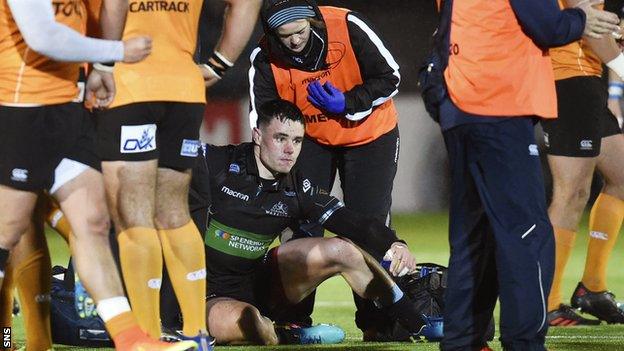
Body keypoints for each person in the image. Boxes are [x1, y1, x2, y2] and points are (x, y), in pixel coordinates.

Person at [0, 0, 199, 349]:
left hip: (68, 109)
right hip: (21, 108)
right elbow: (43, 36)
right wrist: (118, 51)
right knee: (10, 228)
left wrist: (101, 68)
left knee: (92, 221)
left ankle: (131, 338)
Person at [424, 0, 621, 349]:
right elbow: (549, 26)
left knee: (475, 238)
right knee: (527, 234)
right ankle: (525, 342)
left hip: (461, 105)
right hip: (499, 107)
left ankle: (463, 342)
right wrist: (582, 18)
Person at [185, 99, 425, 345]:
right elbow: (170, 157)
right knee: (248, 321)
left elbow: (351, 222)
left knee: (342, 250)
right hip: (205, 293)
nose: (290, 149)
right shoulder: (215, 163)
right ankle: (293, 335)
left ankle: (417, 323)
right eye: (280, 138)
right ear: (257, 135)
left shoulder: (297, 186)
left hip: (258, 284)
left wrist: (395, 243)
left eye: (297, 141)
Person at [95, 0, 261, 347]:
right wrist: (221, 63)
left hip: (130, 83)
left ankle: (146, 336)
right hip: (183, 88)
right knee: (173, 212)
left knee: (133, 215)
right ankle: (197, 334)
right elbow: (245, 4)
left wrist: (102, 63)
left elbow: (114, 5)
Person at [248, 0, 411, 339]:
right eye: (284, 35)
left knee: (368, 225)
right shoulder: (264, 58)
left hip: (370, 135)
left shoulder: (347, 25)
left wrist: (348, 102)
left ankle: (379, 323)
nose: (294, 41)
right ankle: (293, 320)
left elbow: (391, 77)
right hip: (311, 141)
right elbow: (263, 121)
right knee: (299, 224)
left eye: (300, 32)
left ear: (313, 22)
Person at [543, 0, 624, 326]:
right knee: (571, 193)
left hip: (586, 76)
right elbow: (588, 24)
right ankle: (546, 304)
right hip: (568, 79)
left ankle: (591, 287)